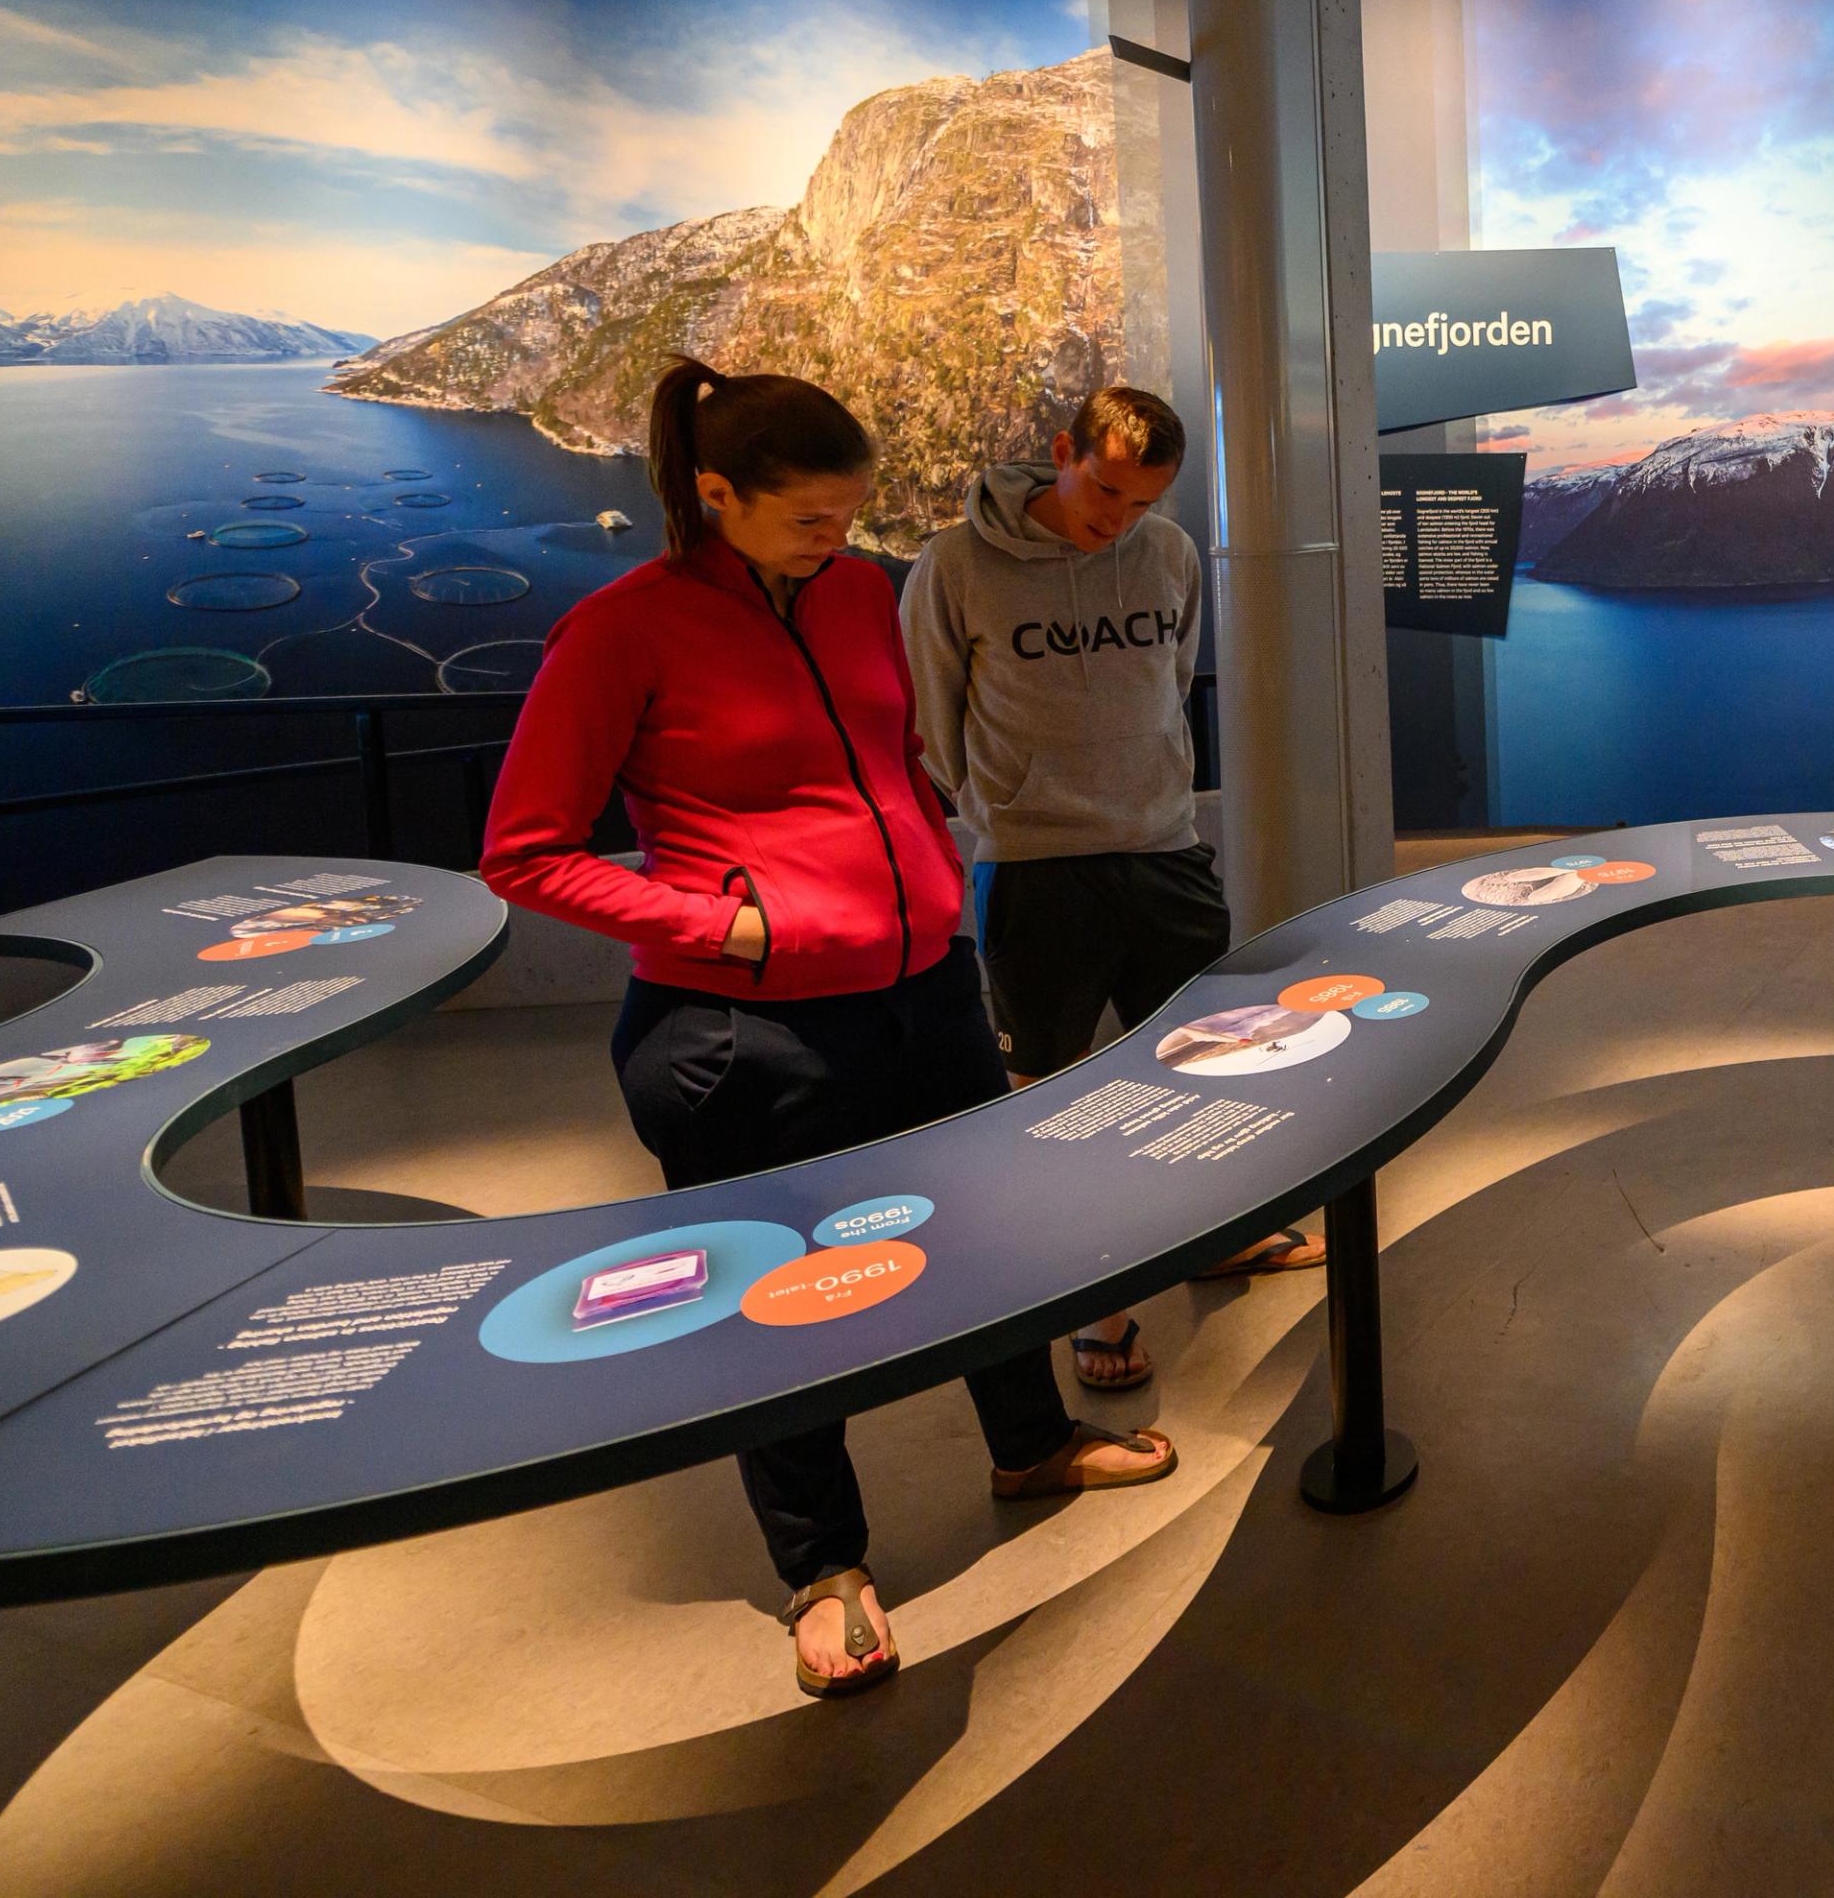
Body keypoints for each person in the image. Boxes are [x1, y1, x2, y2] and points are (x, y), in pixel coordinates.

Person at [483, 357, 1173, 1699]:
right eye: (809, 518)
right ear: (715, 494)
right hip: (747, 1034)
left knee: (986, 1235)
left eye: (850, 516)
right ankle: (826, 1566)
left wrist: (928, 854)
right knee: (778, 1298)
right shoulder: (621, 631)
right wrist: (725, 927)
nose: (838, 542)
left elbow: (895, 749)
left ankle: (1027, 1442)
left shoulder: (861, 591)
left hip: (923, 985)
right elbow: (525, 852)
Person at [902, 384, 1319, 1399]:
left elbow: (1170, 680)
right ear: (1062, 452)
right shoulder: (955, 565)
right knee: (1051, 1102)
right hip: (1036, 868)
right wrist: (1011, 807)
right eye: (1104, 492)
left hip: (1163, 849)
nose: (1116, 520)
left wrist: (1145, 796)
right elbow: (932, 715)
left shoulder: (1168, 554)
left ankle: (1214, 1236)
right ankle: (1101, 1305)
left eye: (1142, 503)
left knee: (1209, 1065)